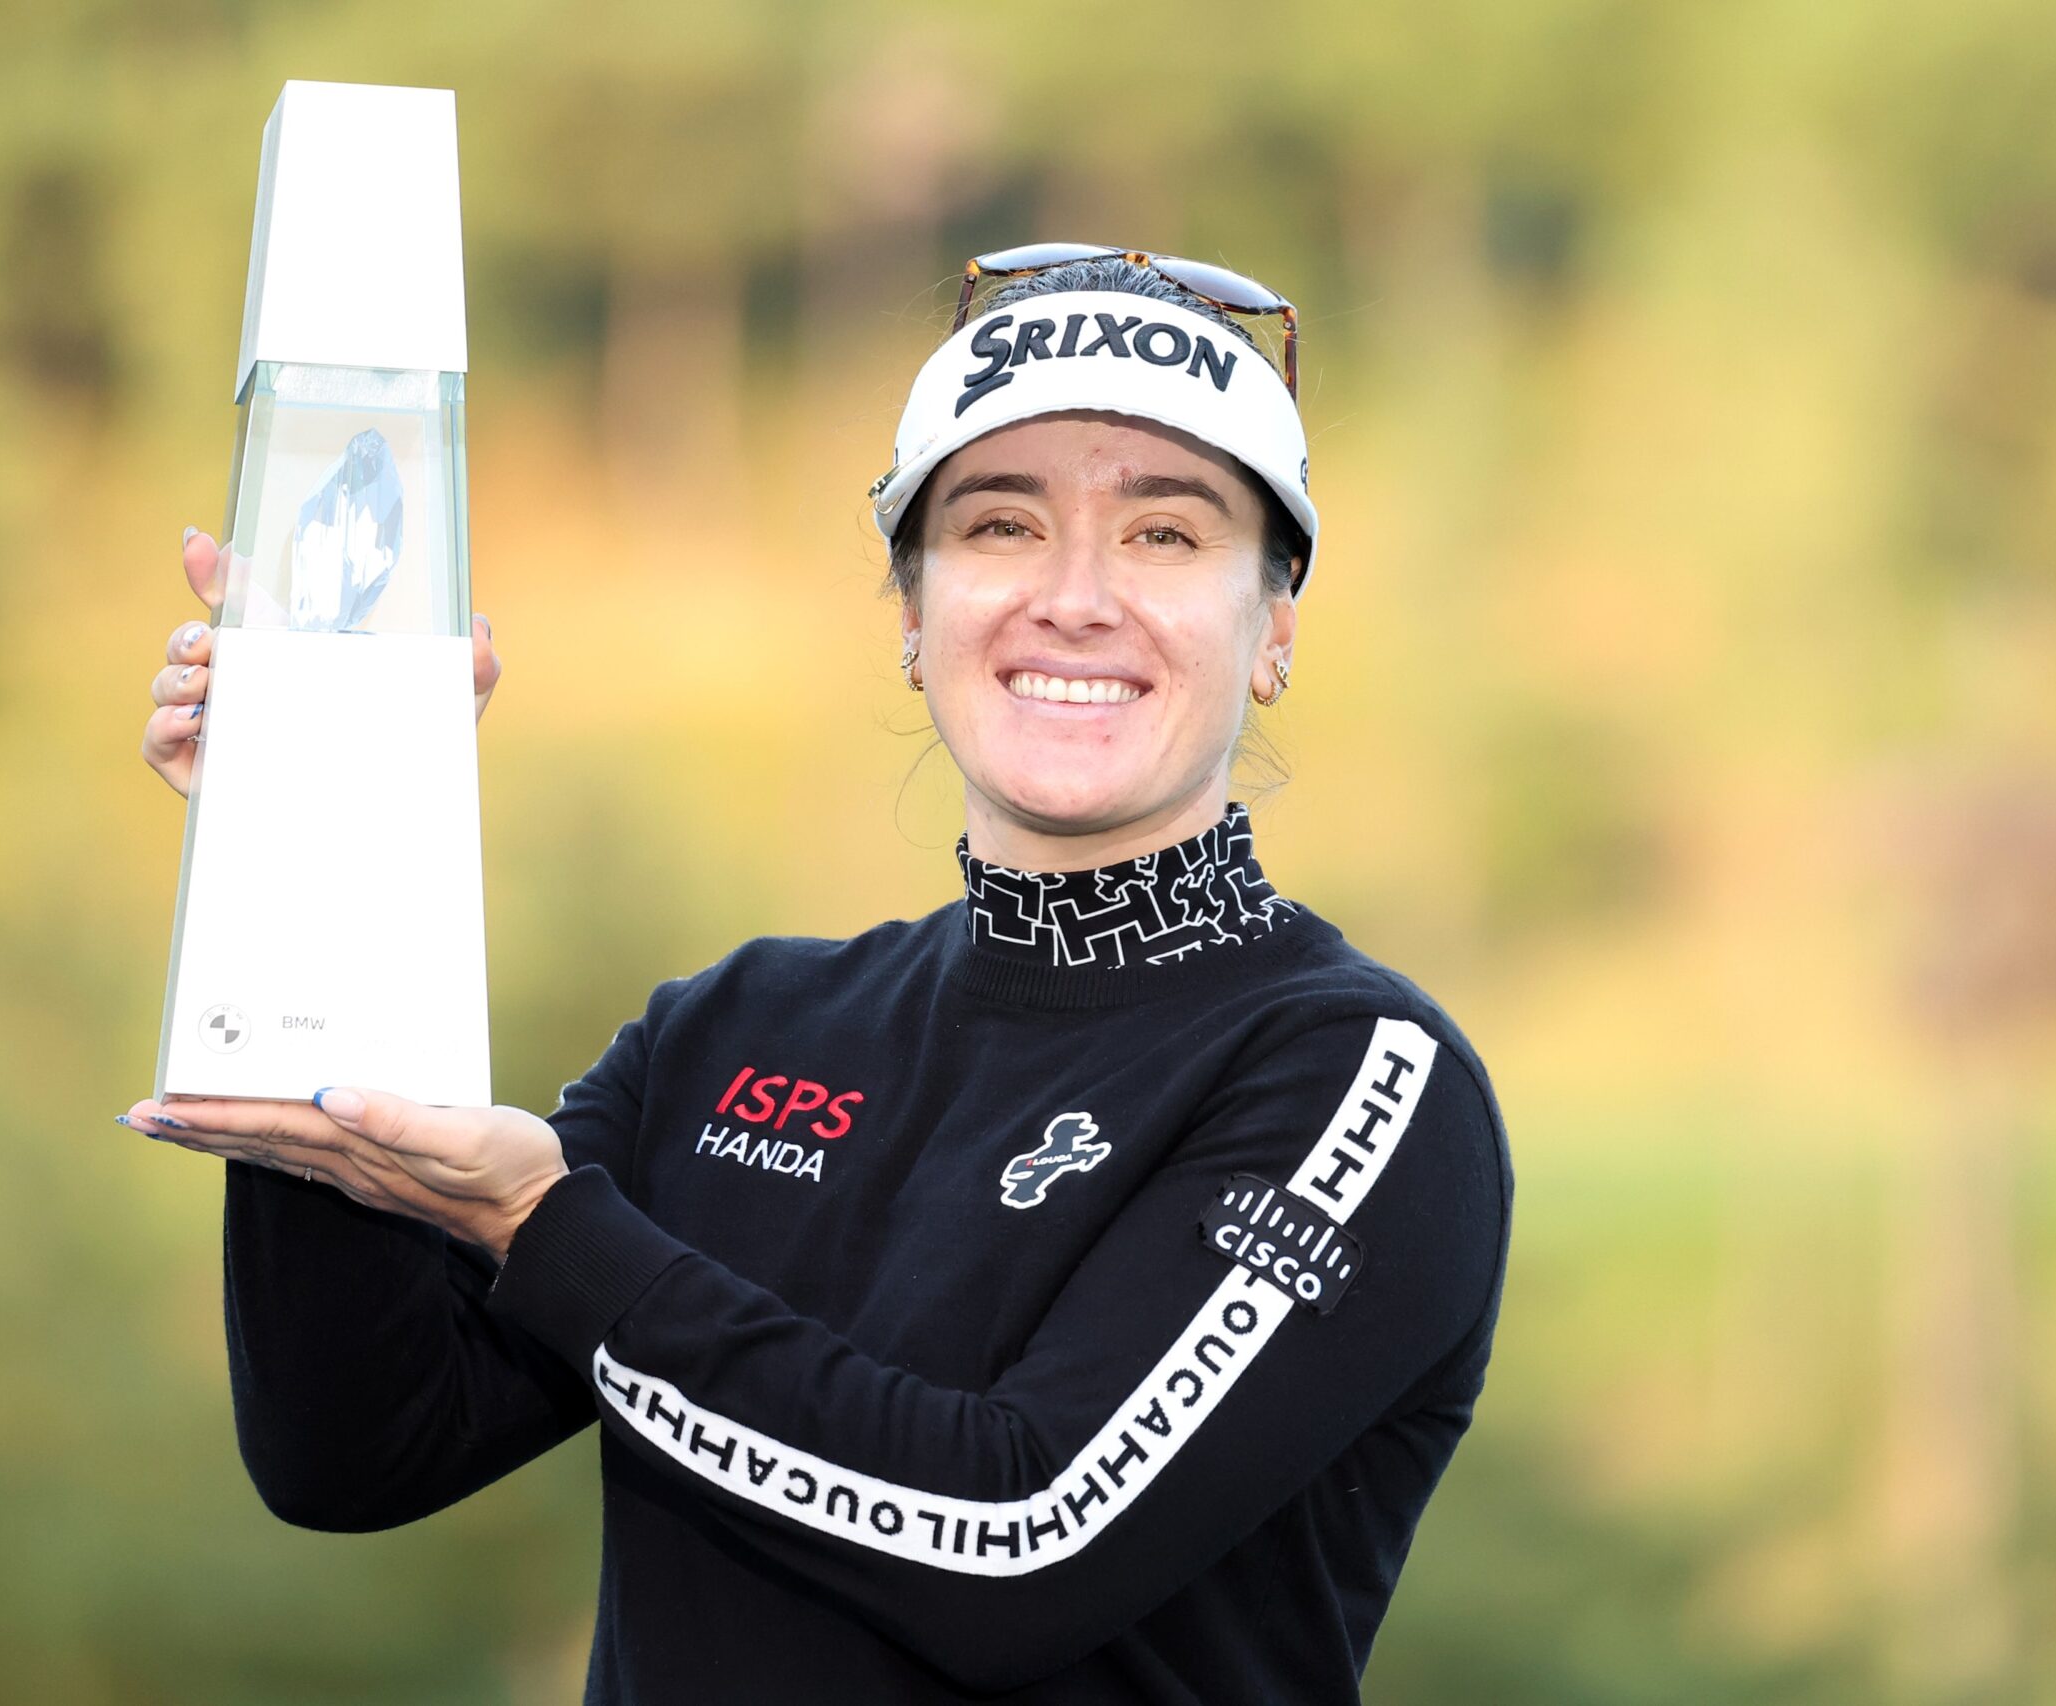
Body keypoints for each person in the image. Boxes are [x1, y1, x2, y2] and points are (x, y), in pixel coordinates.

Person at [120, 249, 1515, 1703]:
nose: (1077, 596)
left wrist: (549, 1226)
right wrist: (317, 858)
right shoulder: (733, 1031)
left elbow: (1017, 1543)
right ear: (913, 612)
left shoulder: (1357, 1080)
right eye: (999, 524)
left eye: (1166, 535)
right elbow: (359, 1449)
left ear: (1275, 624)